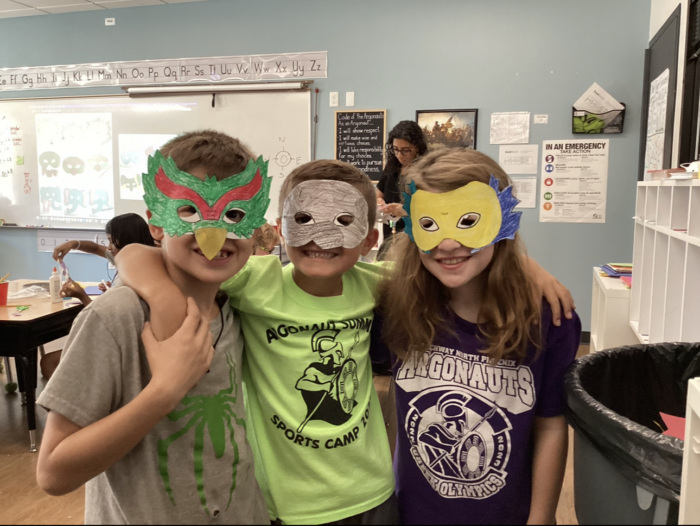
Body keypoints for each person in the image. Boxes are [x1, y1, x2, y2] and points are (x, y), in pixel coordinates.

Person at [116, 157, 575, 525]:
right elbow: (136, 252)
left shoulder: (380, 284)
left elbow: (459, 255)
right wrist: (159, 294)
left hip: (375, 493)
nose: (321, 236)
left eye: (342, 221)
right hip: (289, 502)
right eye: (305, 219)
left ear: (370, 237)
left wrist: (528, 267)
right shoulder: (253, 280)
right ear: (278, 228)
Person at [35, 130, 270, 524]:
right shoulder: (116, 319)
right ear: (156, 224)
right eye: (189, 212)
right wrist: (165, 390)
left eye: (235, 215)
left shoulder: (237, 306)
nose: (214, 233)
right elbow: (53, 472)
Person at [373, 148, 581, 525]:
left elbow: (551, 424)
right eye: (431, 224)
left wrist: (541, 518)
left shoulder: (548, 317)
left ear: (502, 221)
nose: (448, 244)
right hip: (412, 512)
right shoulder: (393, 303)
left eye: (469, 221)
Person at [53, 212, 155, 292]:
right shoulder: (129, 259)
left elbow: (109, 313)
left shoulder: (134, 274)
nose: (109, 247)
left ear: (127, 241)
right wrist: (73, 244)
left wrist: (81, 294)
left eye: (112, 241)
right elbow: (95, 248)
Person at [376, 120, 427, 258]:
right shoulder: (392, 167)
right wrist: (380, 202)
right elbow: (378, 194)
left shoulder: (426, 170)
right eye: (396, 149)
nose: (399, 155)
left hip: (413, 237)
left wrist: (405, 210)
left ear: (417, 147)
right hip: (390, 235)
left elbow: (432, 207)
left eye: (406, 150)